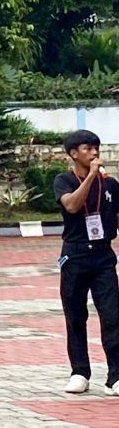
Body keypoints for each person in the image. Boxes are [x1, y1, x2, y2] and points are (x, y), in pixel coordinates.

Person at [53, 129, 119, 396]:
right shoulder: (63, 180)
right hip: (75, 255)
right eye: (87, 148)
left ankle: (115, 376)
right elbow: (71, 206)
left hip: (103, 256)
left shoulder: (111, 184)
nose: (94, 153)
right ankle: (80, 372)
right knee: (76, 316)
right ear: (73, 154)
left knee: (112, 315)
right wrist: (91, 176)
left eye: (96, 147)